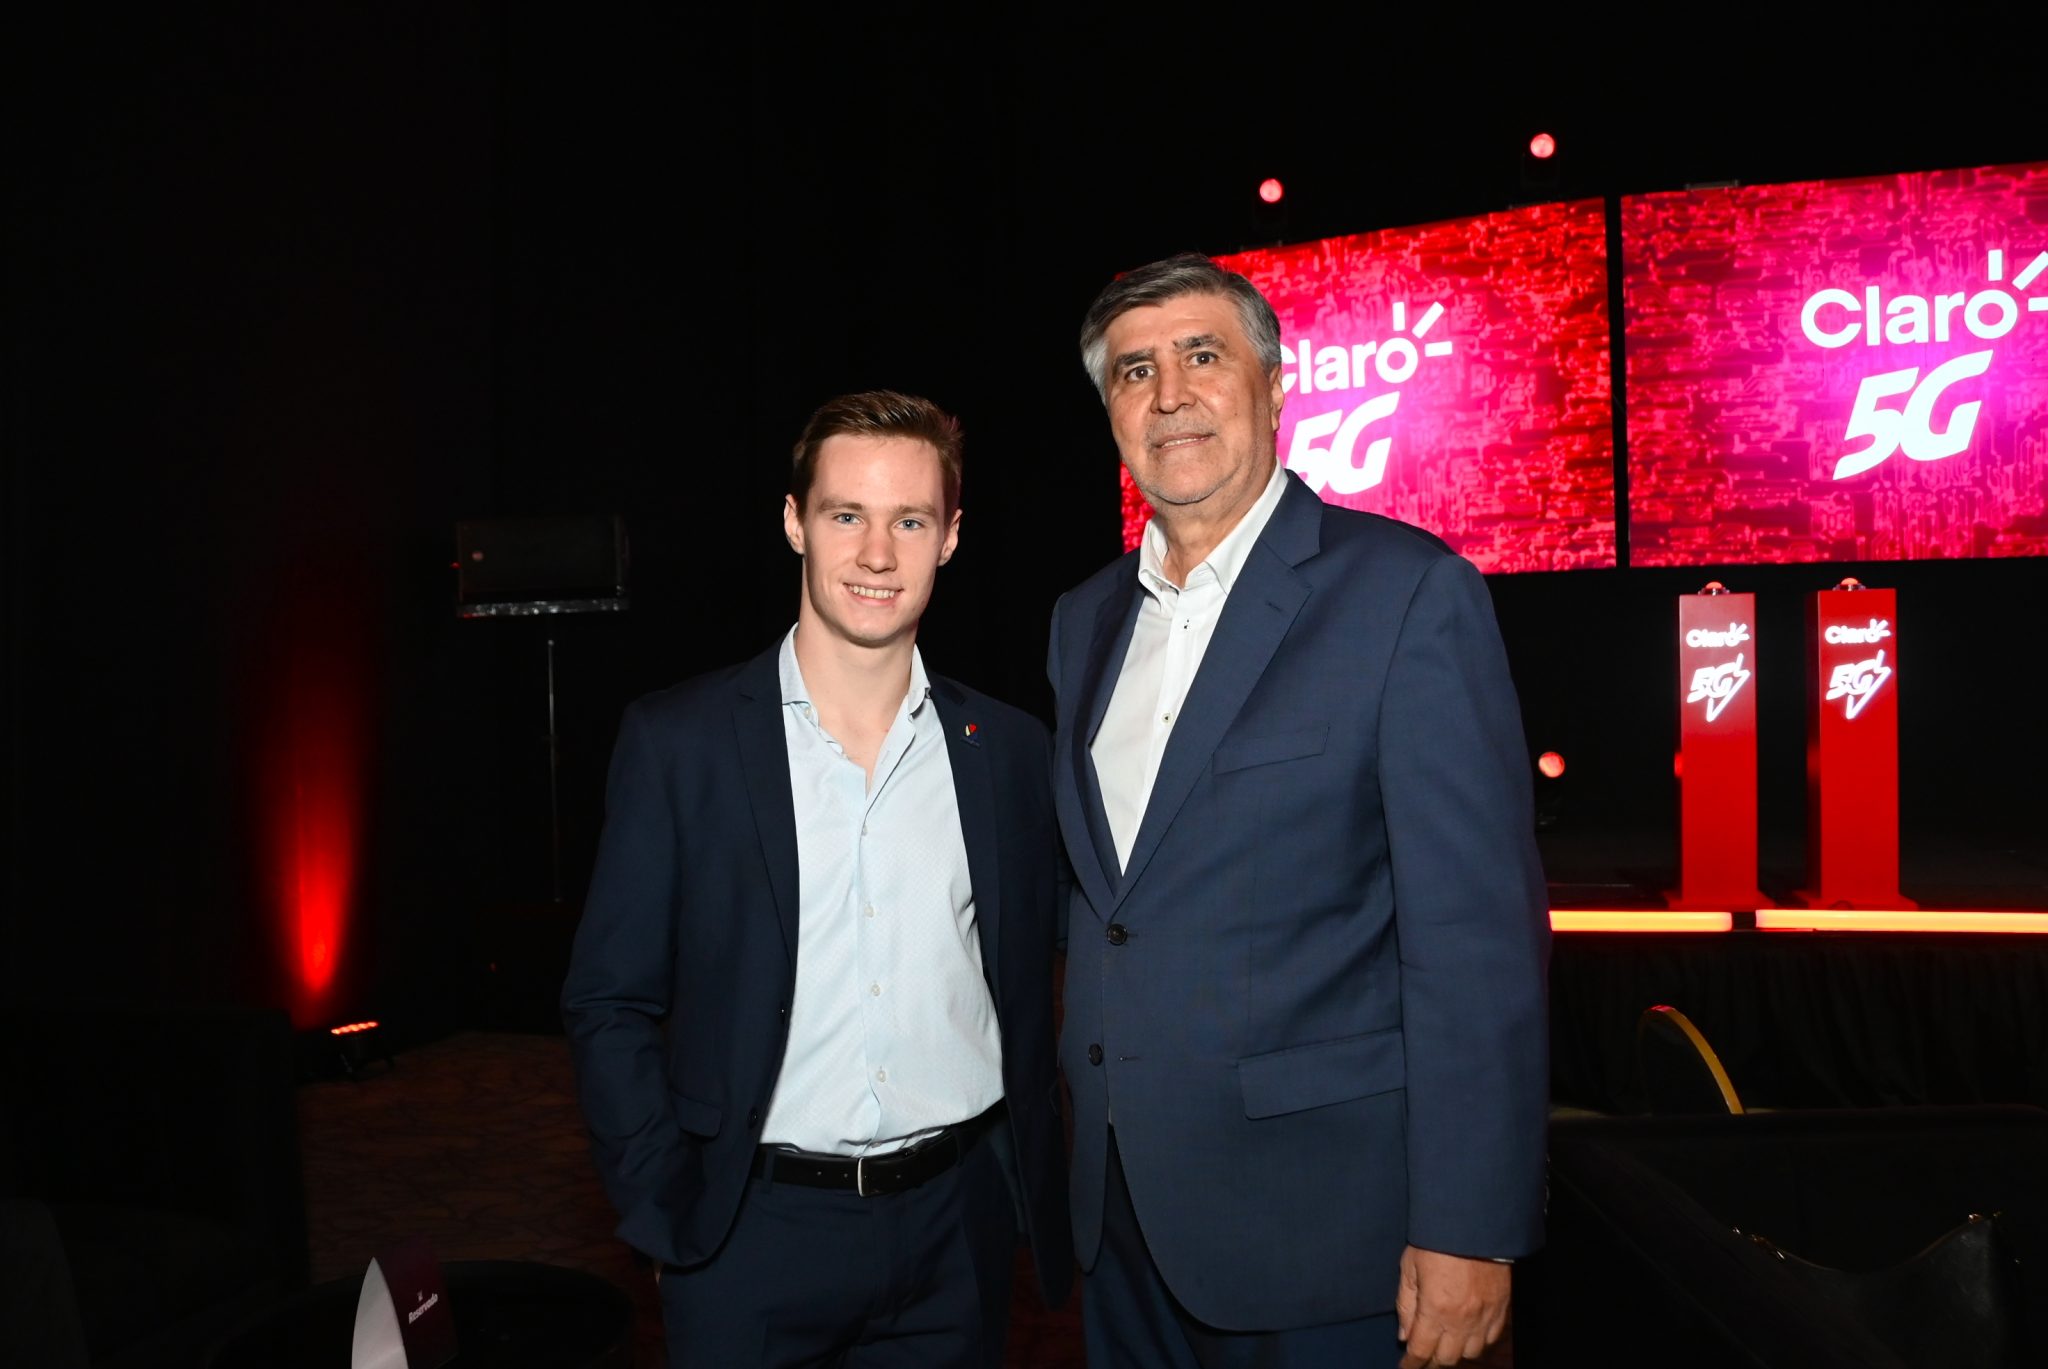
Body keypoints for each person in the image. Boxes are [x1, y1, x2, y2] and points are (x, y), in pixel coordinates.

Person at [1049, 253, 1550, 1369]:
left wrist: (1469, 1223)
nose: (1169, 394)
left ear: (1275, 387)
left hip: (1325, 1228)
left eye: (1202, 356)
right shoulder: (1082, 621)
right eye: (1135, 370)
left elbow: (1473, 941)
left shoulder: (1405, 593)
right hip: (1119, 1219)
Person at [562, 390, 1071, 1367]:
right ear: (795, 521)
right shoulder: (680, 744)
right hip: (750, 1236)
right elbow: (608, 1000)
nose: (877, 553)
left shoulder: (1008, 751)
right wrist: (664, 1207)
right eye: (846, 515)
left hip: (956, 1232)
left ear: (950, 536)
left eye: (909, 521)